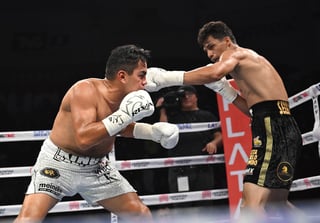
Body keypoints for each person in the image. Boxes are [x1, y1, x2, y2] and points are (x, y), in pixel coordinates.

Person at [145, 21, 302, 219]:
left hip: (272, 129)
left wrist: (166, 78)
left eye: (211, 46)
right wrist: (225, 91)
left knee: (250, 206)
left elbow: (214, 72)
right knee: (276, 204)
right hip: (280, 127)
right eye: (206, 51)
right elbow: (254, 110)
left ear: (227, 41)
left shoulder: (235, 53)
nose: (210, 55)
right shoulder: (251, 62)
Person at [14, 44, 180, 223]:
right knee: (29, 220)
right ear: (122, 76)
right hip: (58, 163)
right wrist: (124, 115)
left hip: (97, 168)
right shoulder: (85, 90)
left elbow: (120, 127)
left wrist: (153, 132)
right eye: (141, 75)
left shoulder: (126, 97)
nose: (145, 82)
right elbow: (84, 139)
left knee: (140, 215)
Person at [157, 84, 225, 206]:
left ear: (196, 97)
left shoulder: (207, 115)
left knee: (205, 207)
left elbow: (219, 135)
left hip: (203, 169)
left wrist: (214, 143)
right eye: (183, 96)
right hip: (179, 170)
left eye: (189, 94)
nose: (186, 97)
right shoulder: (173, 116)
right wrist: (163, 108)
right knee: (183, 208)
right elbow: (163, 131)